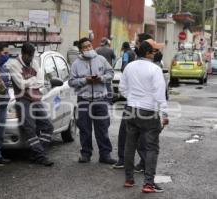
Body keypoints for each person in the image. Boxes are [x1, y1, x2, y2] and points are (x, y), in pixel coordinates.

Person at [119, 39, 169, 193]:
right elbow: (160, 93)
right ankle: (148, 183)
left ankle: (129, 179)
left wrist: (133, 99)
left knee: (130, 145)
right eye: (154, 51)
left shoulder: (129, 67)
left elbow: (122, 88)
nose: (156, 54)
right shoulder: (154, 69)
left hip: (130, 109)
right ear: (148, 53)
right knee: (151, 148)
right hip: (148, 111)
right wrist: (165, 113)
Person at [68, 37, 116, 164]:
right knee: (84, 128)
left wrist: (102, 78)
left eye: (89, 45)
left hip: (100, 99)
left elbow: (111, 73)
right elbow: (71, 82)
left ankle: (105, 155)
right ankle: (86, 153)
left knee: (102, 128)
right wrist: (85, 80)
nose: (88, 48)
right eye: (85, 47)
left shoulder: (101, 59)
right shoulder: (76, 64)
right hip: (84, 100)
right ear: (81, 50)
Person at [5, 42, 54, 167]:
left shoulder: (35, 63)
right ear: (23, 54)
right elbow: (20, 85)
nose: (31, 59)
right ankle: (41, 156)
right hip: (23, 100)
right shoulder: (14, 65)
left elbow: (41, 82)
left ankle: (36, 154)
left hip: (36, 99)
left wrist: (29, 82)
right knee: (30, 129)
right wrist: (33, 80)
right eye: (29, 56)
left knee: (48, 126)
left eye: (32, 56)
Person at [112, 33, 153, 170]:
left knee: (142, 134)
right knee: (127, 132)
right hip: (133, 103)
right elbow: (124, 80)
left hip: (144, 105)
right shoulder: (132, 55)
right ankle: (124, 159)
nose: (135, 43)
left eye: (136, 42)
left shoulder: (150, 59)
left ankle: (142, 162)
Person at [0, 42, 12, 165]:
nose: (6, 56)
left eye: (7, 53)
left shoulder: (3, 66)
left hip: (3, 104)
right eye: (4, 53)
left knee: (0, 132)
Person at [96, 37, 116, 104]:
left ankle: (99, 98)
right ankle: (109, 100)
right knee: (108, 85)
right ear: (107, 43)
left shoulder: (96, 50)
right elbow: (114, 58)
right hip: (107, 69)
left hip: (98, 69)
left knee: (99, 84)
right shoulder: (110, 50)